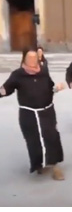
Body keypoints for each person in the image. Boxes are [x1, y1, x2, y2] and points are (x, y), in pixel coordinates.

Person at [0, 47, 66, 180]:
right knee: (34, 140)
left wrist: (57, 88)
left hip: (47, 111)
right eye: (29, 58)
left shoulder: (43, 72)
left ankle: (54, 166)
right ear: (24, 58)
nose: (32, 60)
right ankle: (39, 165)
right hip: (28, 114)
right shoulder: (18, 74)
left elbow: (50, 87)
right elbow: (6, 89)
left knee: (52, 136)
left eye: (34, 57)